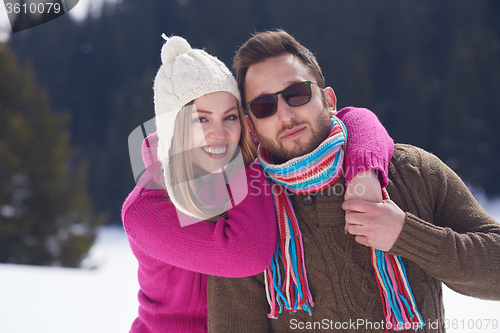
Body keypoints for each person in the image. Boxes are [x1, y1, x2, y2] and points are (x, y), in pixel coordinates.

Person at [206, 30, 500, 333]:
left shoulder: (412, 170)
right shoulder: (246, 215)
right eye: (264, 107)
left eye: (297, 94)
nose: (286, 115)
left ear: (329, 100)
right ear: (252, 126)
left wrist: (406, 235)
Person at [122, 35, 396, 333]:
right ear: (172, 127)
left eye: (229, 117)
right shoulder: (145, 209)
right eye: (201, 120)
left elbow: (354, 119)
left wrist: (365, 174)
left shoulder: (232, 151)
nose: (220, 133)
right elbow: (247, 254)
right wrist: (252, 162)